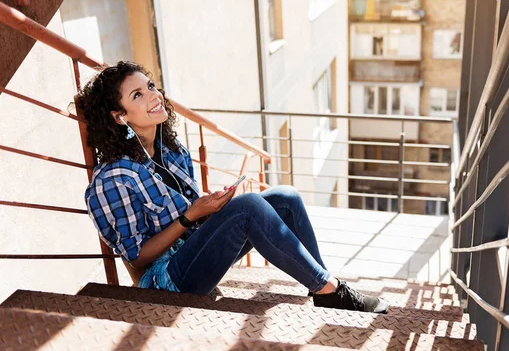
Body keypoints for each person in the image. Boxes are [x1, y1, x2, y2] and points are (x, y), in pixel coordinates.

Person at [75, 61, 388, 314]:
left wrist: (213, 208)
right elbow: (137, 257)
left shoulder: (171, 150)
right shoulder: (111, 182)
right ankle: (331, 290)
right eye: (137, 95)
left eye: (151, 86)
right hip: (165, 281)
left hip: (195, 250)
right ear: (119, 117)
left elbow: (193, 216)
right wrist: (189, 216)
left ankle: (321, 290)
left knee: (285, 198)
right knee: (249, 207)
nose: (153, 95)